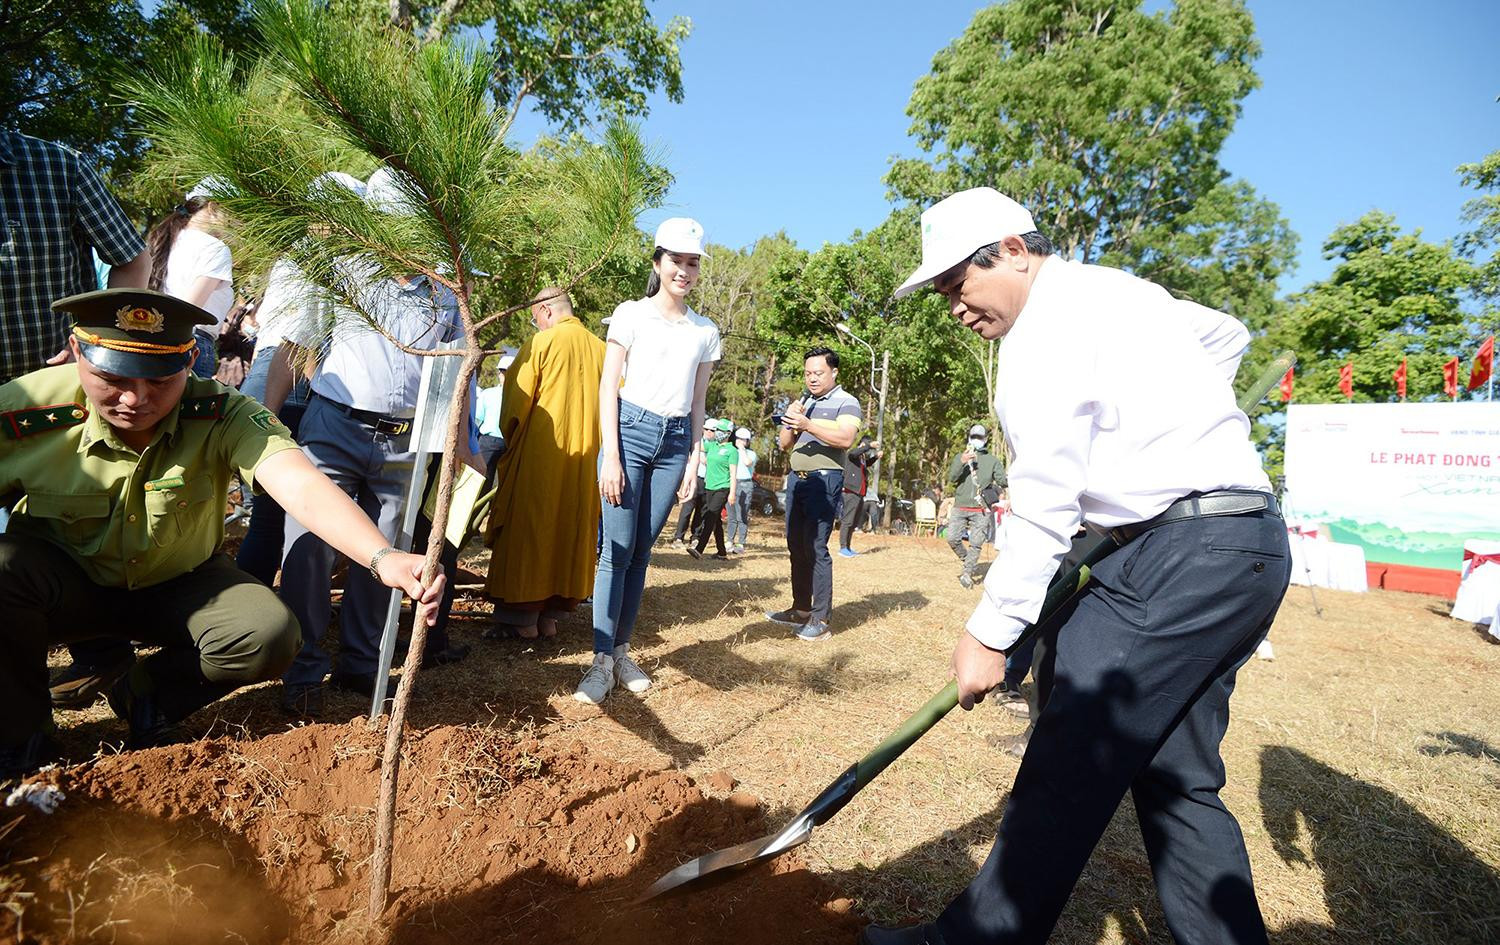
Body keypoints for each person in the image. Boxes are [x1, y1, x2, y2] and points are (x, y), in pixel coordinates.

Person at [861, 187, 1290, 945]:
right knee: (1176, 779)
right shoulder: (1122, 294)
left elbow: (1045, 506)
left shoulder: (1038, 339)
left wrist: (991, 632)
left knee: (1069, 757)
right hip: (1248, 545)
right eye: (942, 296)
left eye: (958, 285)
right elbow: (1227, 334)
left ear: (1016, 251)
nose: (955, 308)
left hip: (1178, 558)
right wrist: (1177, 430)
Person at [0, 289, 444, 777]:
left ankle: (146, 696)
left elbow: (297, 482)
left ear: (191, 362)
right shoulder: (24, 409)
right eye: (111, 378)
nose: (134, 399)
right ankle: (21, 733)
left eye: (159, 380)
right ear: (78, 350)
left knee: (268, 633)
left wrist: (383, 557)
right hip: (59, 589)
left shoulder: (221, 412)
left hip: (177, 585)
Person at [276, 166, 467, 715]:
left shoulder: (446, 296)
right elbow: (296, 347)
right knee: (308, 548)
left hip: (406, 444)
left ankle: (363, 663)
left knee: (388, 557)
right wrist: (264, 421)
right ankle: (302, 668)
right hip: (333, 428)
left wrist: (458, 446)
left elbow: (459, 375)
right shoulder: (342, 273)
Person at [2, 129, 153, 709]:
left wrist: (99, 342)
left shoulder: (56, 165)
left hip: (57, 403)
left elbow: (131, 259)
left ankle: (107, 659)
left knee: (73, 531)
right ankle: (19, 719)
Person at [583, 217, 719, 704]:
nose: (683, 271)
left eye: (692, 263)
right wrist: (611, 457)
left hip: (676, 442)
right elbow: (607, 387)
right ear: (658, 262)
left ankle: (621, 651)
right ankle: (599, 660)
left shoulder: (706, 332)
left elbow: (699, 401)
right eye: (676, 261)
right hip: (630, 435)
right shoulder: (631, 314)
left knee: (641, 552)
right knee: (614, 551)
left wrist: (694, 459)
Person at [482, 288, 605, 639]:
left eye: (534, 316)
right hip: (585, 466)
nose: (535, 323)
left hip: (540, 458)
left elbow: (514, 408)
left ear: (546, 310)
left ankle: (521, 623)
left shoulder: (542, 344)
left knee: (530, 530)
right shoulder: (603, 350)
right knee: (570, 531)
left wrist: (512, 443)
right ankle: (550, 618)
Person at [765, 347, 862, 641]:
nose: (812, 378)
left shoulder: (847, 402)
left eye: (818, 373)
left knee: (816, 546)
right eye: (808, 373)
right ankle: (801, 609)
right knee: (796, 544)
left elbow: (845, 438)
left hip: (825, 479)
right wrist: (791, 418)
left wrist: (808, 424)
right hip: (797, 479)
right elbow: (784, 444)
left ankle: (820, 620)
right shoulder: (805, 401)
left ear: (834, 372)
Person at [145, 179, 236, 379]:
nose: (234, 222)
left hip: (152, 339)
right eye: (232, 214)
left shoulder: (165, 238)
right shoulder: (215, 248)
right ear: (213, 207)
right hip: (188, 344)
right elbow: (189, 309)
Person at [946, 423, 1005, 588]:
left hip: (981, 508)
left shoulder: (992, 461)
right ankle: (968, 561)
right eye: (973, 437)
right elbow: (952, 478)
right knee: (952, 538)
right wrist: (962, 461)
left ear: (985, 439)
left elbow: (1002, 480)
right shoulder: (960, 456)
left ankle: (967, 573)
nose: (976, 440)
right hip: (960, 505)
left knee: (976, 542)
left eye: (979, 437)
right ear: (969, 438)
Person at [687, 417, 737, 560]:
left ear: (728, 433)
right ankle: (722, 552)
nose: (717, 433)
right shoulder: (712, 446)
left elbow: (733, 474)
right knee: (716, 521)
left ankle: (699, 549)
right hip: (710, 486)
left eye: (720, 430)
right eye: (717, 430)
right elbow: (697, 446)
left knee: (710, 516)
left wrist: (732, 493)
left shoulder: (731, 451)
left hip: (723, 488)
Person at [473, 347, 518, 482]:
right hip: (488, 442)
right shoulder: (488, 394)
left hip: (510, 444)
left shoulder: (521, 398)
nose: (505, 376)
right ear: (499, 374)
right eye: (503, 372)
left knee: (504, 485)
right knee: (480, 482)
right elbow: (477, 420)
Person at [670, 417, 714, 548]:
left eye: (712, 430)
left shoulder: (715, 446)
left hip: (708, 481)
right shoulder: (697, 441)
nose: (708, 432)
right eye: (706, 429)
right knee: (687, 510)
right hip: (695, 478)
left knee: (701, 511)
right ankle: (678, 538)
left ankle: (695, 537)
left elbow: (707, 459)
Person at [838, 434, 881, 557]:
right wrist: (868, 446)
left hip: (860, 493)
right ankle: (842, 547)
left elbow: (866, 464)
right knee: (848, 520)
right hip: (851, 491)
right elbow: (852, 454)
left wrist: (876, 457)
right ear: (863, 444)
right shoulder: (854, 453)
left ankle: (848, 546)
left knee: (854, 521)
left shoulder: (861, 458)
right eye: (867, 446)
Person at [726, 426, 756, 554]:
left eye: (744, 439)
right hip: (732, 483)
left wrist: (742, 449)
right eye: (739, 439)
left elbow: (747, 462)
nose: (740, 441)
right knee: (731, 515)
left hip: (745, 484)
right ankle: (729, 540)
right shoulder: (732, 452)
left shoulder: (751, 454)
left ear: (748, 441)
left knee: (742, 515)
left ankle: (741, 543)